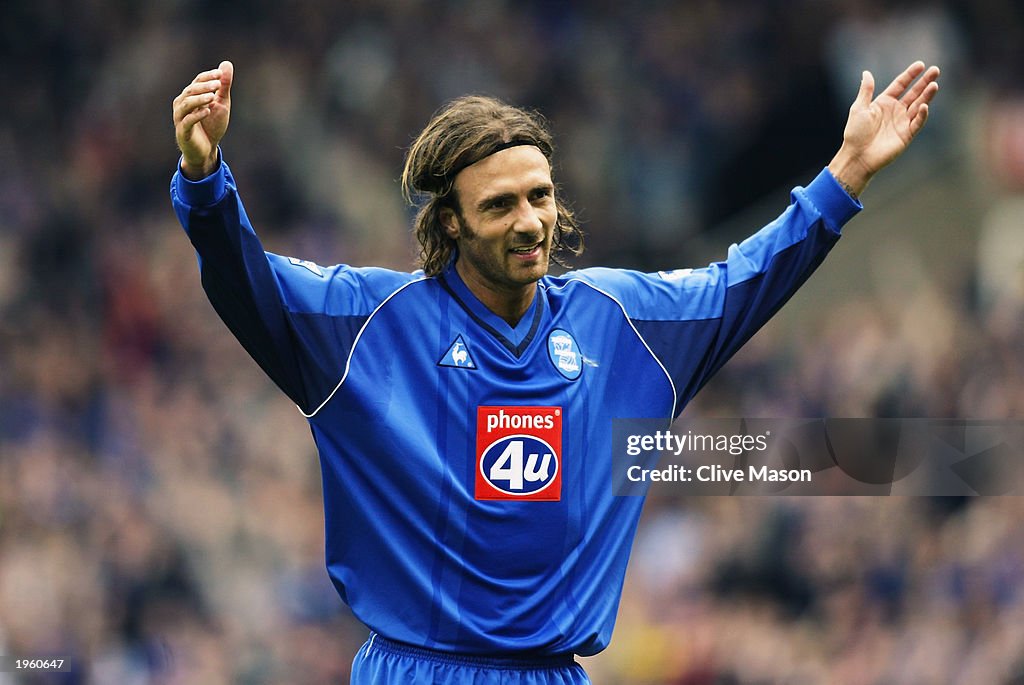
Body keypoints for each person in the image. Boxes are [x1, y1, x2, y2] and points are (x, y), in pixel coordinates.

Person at [170, 59, 939, 684]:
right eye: (500, 205)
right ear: (450, 222)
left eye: (539, 196)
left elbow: (744, 280)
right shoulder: (366, 323)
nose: (531, 220)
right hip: (417, 671)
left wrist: (844, 177)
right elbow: (246, 279)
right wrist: (205, 181)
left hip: (555, 675)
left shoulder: (621, 321)